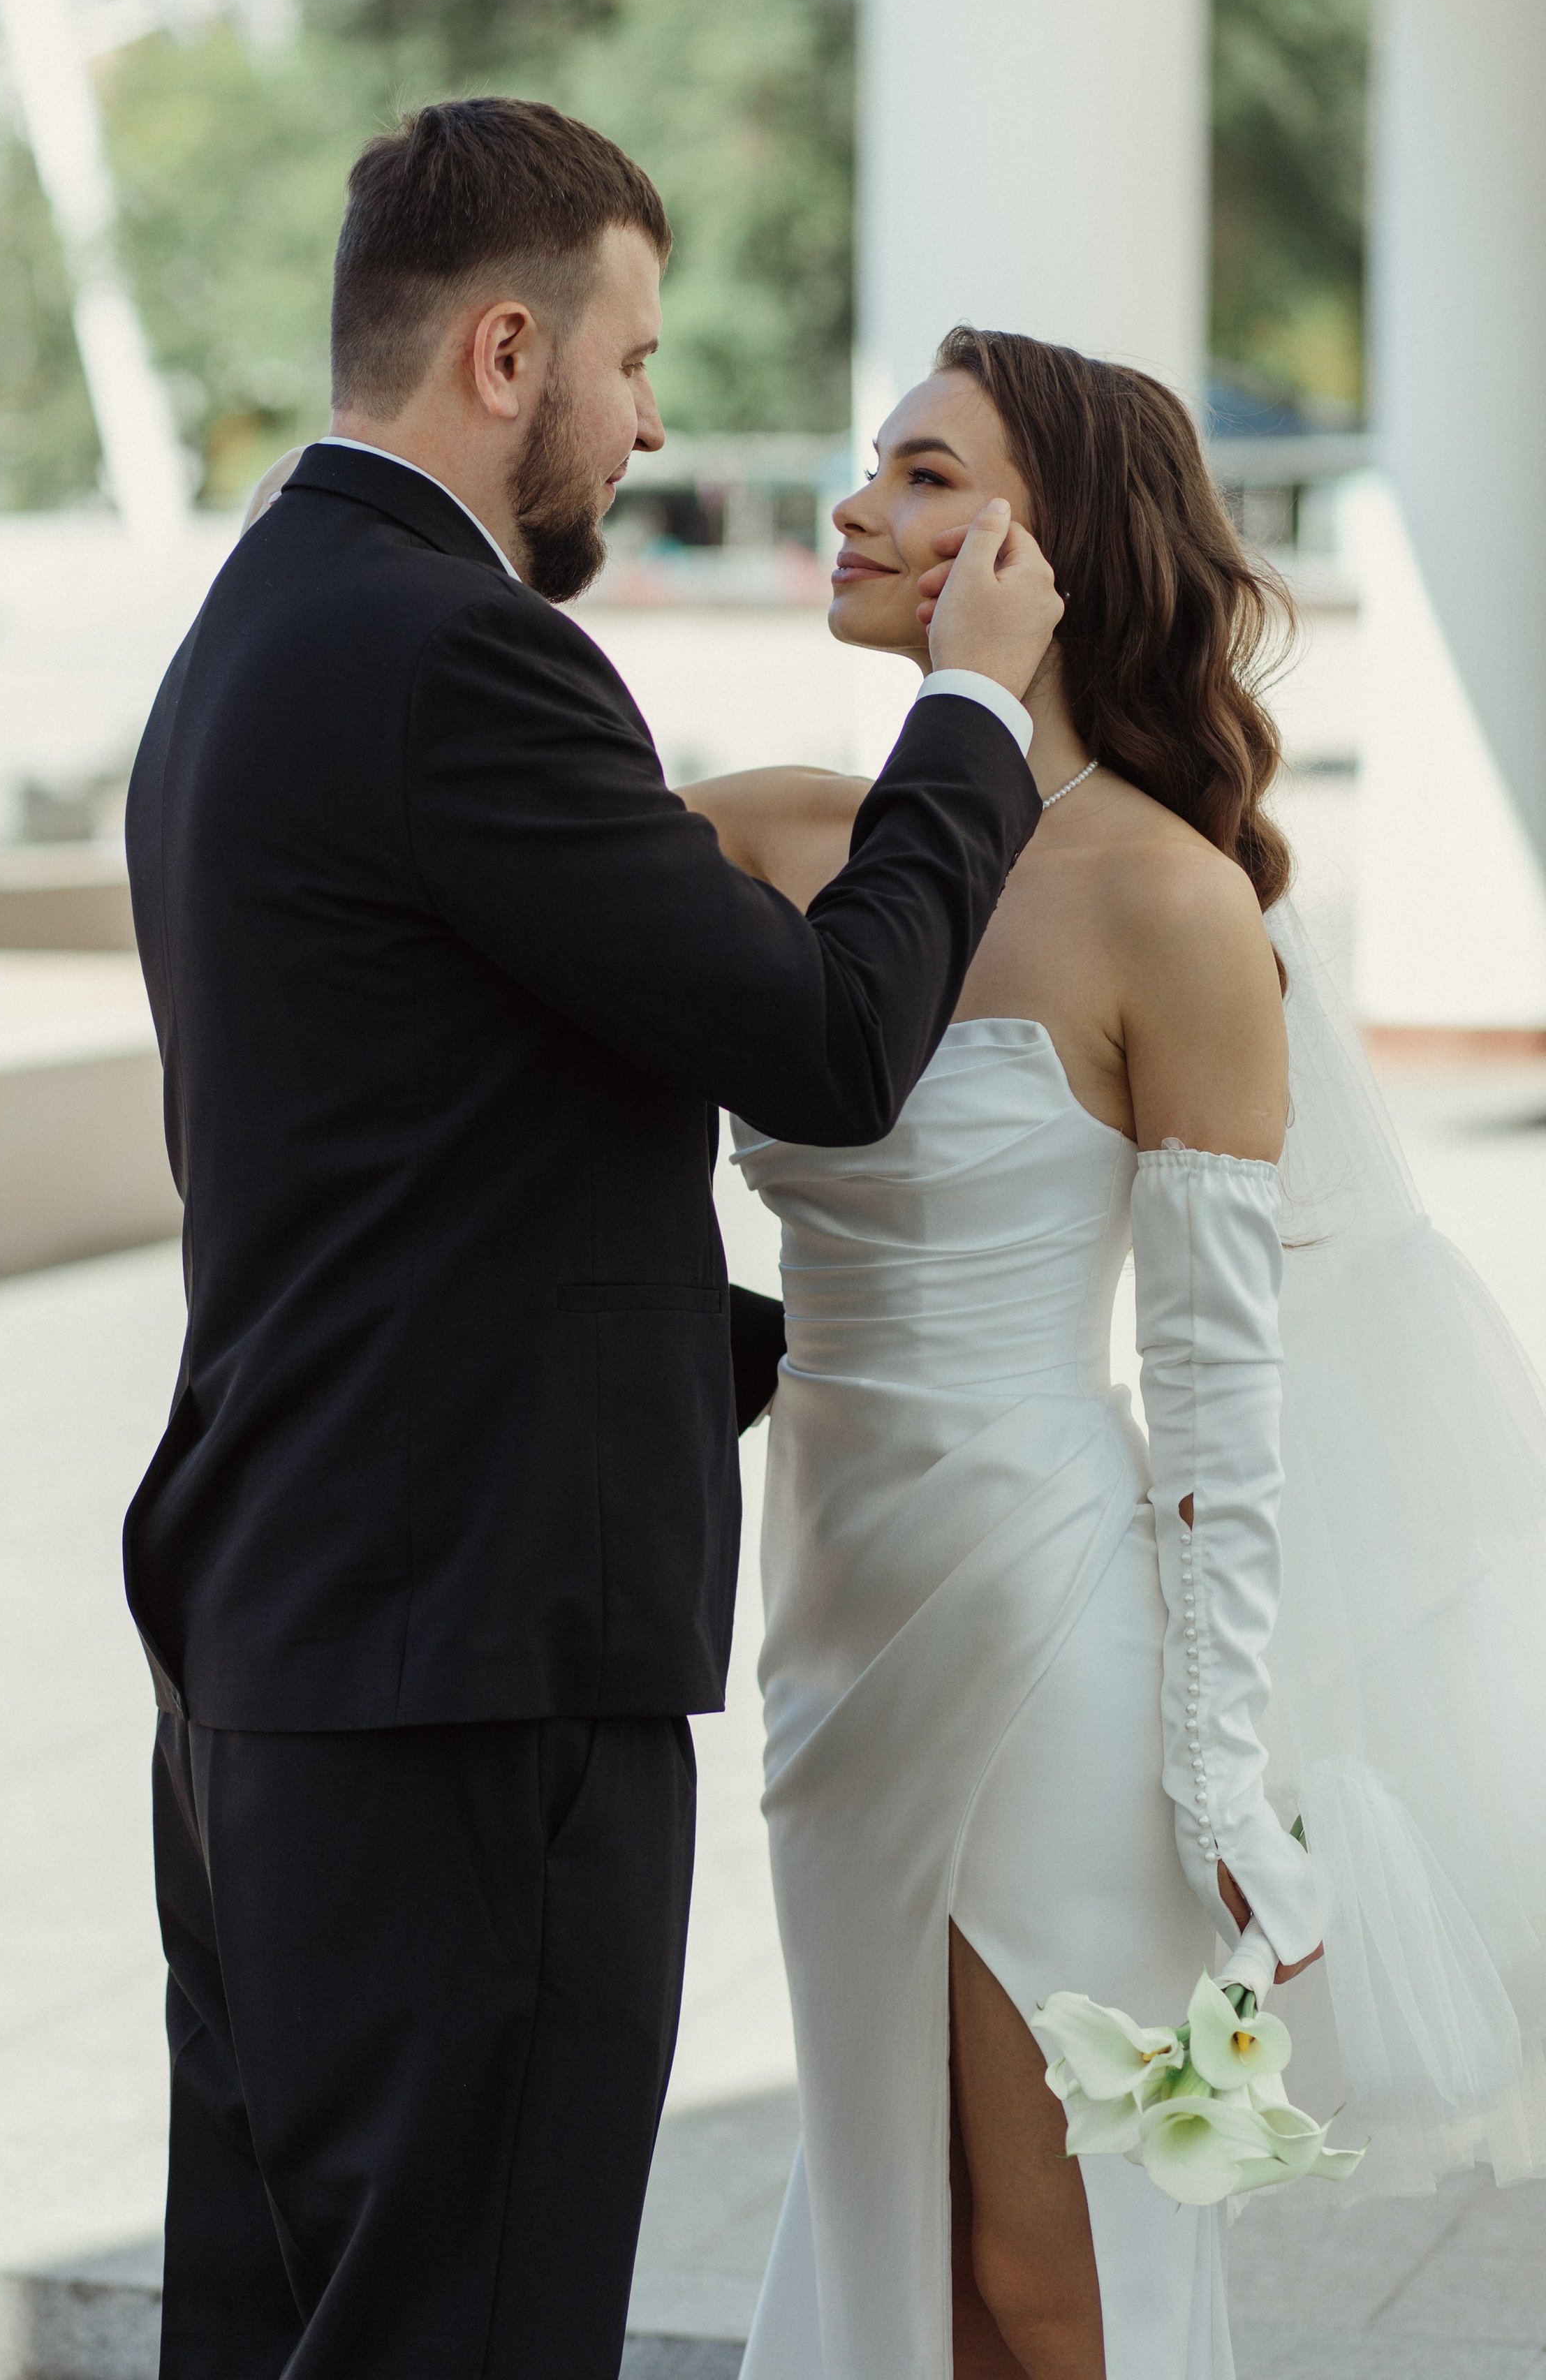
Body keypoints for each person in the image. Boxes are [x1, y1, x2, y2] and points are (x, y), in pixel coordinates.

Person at [121, 105, 1063, 2379]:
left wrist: (839, 1359)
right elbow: (830, 1043)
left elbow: (438, 1187)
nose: (657, 422)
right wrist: (968, 723)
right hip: (470, 1684)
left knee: (295, 2335)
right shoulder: (462, 660)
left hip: (287, 1660)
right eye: (637, 364)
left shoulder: (258, 626)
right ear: (511, 349)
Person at [684, 325, 1546, 2379]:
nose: (853, 506)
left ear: (1043, 549)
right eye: (867, 465)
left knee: (1045, 2273)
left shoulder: (1170, 902)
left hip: (1050, 1638)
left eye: (916, 472)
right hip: (830, 1631)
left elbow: (1228, 1388)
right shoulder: (780, 841)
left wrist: (1216, 1765)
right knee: (908, 2233)